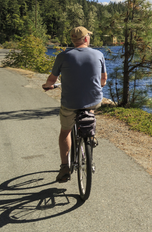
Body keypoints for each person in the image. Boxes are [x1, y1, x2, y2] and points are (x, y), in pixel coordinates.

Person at [43, 26, 107, 183]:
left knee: (65, 131)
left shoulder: (63, 56)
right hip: (93, 100)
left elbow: (51, 80)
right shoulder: (98, 54)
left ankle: (64, 167)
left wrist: (48, 85)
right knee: (90, 109)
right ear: (86, 39)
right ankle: (90, 134)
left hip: (70, 103)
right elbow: (103, 80)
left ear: (73, 39)